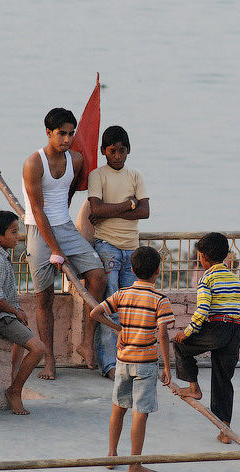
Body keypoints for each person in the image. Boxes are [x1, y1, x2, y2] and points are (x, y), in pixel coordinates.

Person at [22, 107, 105, 379]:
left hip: (66, 227)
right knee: (44, 297)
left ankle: (86, 342)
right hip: (38, 229)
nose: (67, 139)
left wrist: (64, 241)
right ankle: (49, 359)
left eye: (71, 134)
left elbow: (65, 195)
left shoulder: (77, 160)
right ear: (48, 133)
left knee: (98, 275)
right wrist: (55, 249)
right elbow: (37, 209)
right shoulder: (34, 163)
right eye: (61, 134)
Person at [90, 246, 172, 472]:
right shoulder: (160, 300)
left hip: (123, 360)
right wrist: (166, 366)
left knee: (118, 409)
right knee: (140, 412)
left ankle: (112, 454)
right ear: (157, 271)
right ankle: (134, 464)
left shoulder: (122, 294)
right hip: (146, 363)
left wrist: (119, 329)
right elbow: (163, 335)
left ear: (133, 270)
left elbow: (95, 313)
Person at [169, 232, 240, 444]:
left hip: (217, 327)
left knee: (181, 346)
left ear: (202, 256)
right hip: (234, 331)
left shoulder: (207, 279)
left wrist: (187, 332)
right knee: (223, 379)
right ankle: (225, 430)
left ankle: (193, 387)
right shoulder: (235, 279)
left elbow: (202, 311)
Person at [86, 125, 151, 380]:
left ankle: (129, 358)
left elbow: (144, 211)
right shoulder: (97, 176)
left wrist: (109, 210)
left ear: (129, 151)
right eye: (112, 151)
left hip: (131, 249)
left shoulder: (135, 175)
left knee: (131, 308)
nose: (118, 156)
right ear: (104, 151)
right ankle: (109, 365)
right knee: (110, 306)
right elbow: (95, 210)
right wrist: (128, 204)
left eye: (122, 151)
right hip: (107, 246)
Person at [0, 211, 45, 415]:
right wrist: (16, 312)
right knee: (38, 349)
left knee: (24, 334)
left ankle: (14, 377)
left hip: (1, 314)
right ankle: (15, 390)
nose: (18, 236)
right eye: (14, 232)